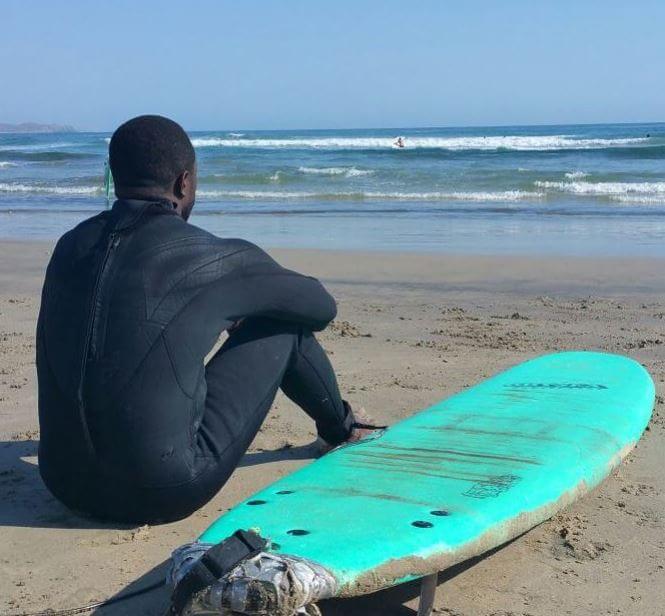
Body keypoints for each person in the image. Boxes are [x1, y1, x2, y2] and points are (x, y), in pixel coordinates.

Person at [36, 115, 376, 524]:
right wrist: (249, 301)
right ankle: (340, 430)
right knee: (285, 327)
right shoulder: (209, 256)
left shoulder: (68, 245)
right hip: (161, 492)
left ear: (113, 175)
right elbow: (320, 307)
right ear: (184, 183)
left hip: (62, 482)